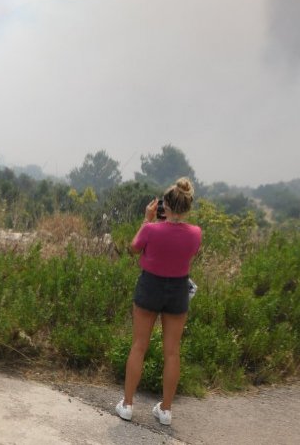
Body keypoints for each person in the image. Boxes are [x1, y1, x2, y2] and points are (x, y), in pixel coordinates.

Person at [116, 177, 201, 426]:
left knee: (138, 346)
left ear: (165, 206)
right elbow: (186, 250)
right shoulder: (196, 233)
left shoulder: (151, 229)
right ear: (187, 207)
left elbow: (134, 248)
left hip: (150, 286)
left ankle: (128, 405)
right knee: (172, 352)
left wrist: (147, 220)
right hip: (177, 290)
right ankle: (165, 410)